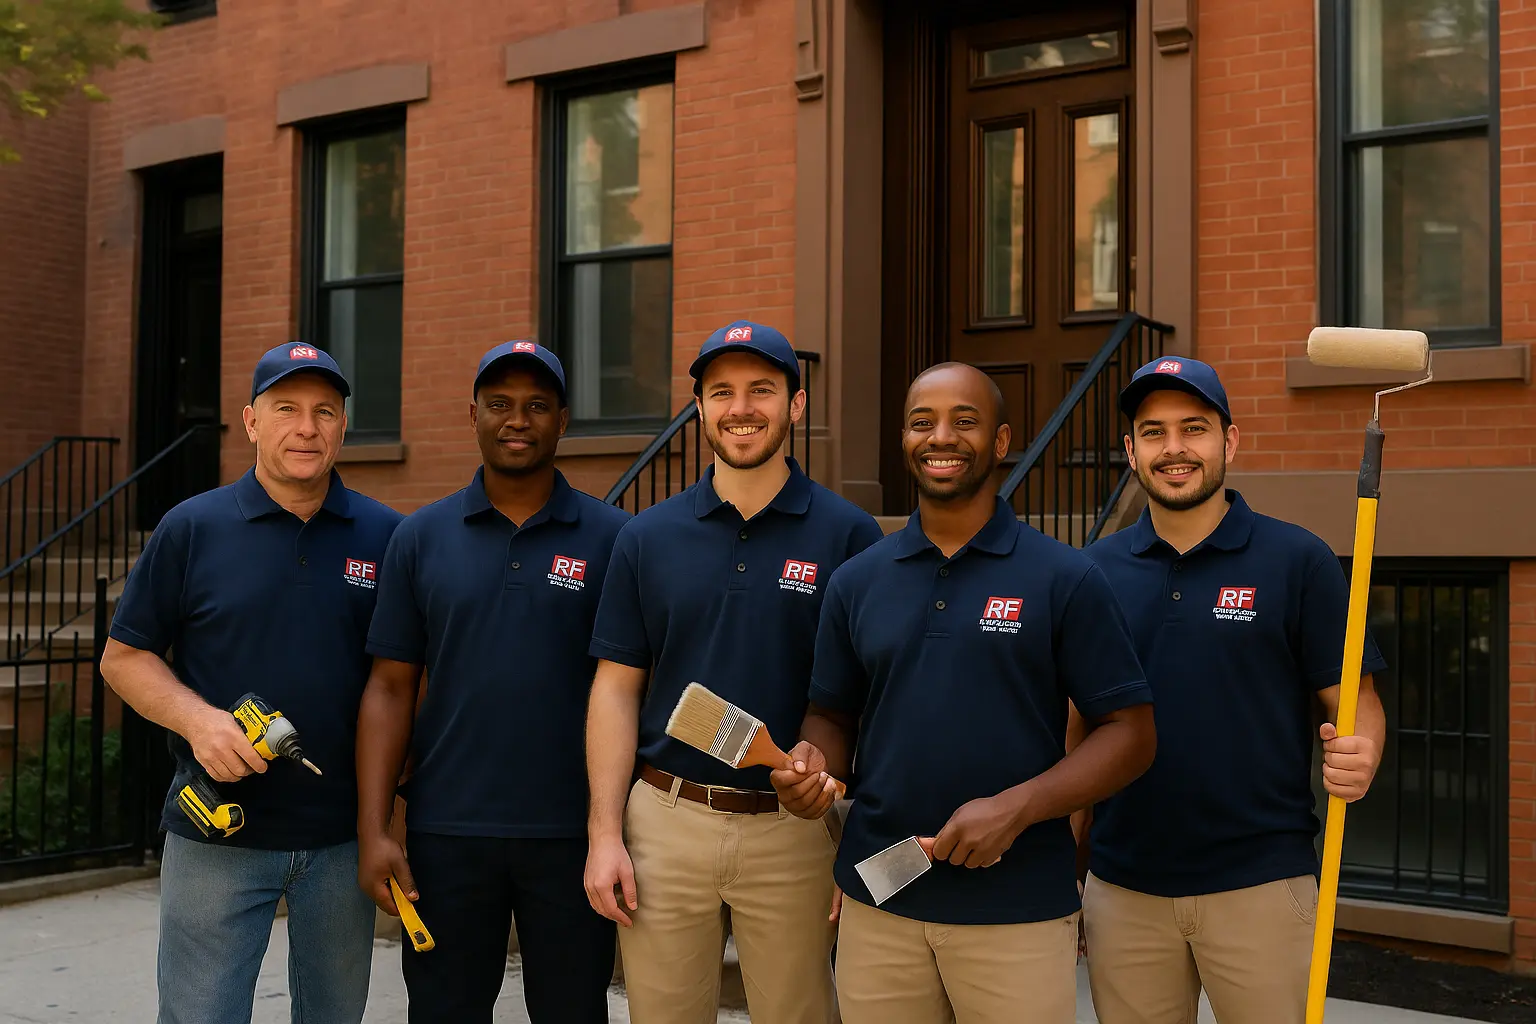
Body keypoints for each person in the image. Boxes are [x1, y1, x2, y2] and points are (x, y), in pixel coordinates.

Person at [771, 361, 1158, 1024]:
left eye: (964, 421)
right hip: (882, 896)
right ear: (903, 439)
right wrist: (813, 764)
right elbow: (832, 712)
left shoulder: (1063, 577)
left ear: (1003, 442)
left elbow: (1131, 734)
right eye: (923, 422)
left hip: (1018, 908)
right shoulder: (858, 581)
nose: (941, 436)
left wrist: (1018, 807)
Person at [583, 320, 884, 1024]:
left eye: (761, 390)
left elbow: (873, 699)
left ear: (796, 405)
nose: (740, 407)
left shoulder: (848, 535)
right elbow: (616, 690)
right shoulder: (646, 537)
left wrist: (856, 825)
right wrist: (605, 834)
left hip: (794, 830)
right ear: (699, 408)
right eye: (721, 392)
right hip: (665, 819)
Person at [1074, 356, 1388, 1024]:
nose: (1175, 448)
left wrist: (1362, 755)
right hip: (1125, 890)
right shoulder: (1088, 574)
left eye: (1195, 428)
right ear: (1130, 451)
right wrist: (1065, 869)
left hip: (1263, 888)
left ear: (1230, 440)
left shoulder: (1296, 560)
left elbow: (1353, 702)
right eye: (1153, 432)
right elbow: (1074, 730)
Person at [99, 342, 404, 1024]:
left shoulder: (388, 537)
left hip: (342, 838)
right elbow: (123, 658)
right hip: (218, 836)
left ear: (343, 427)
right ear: (251, 422)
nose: (307, 427)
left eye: (325, 412)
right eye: (287, 409)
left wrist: (394, 818)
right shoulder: (192, 529)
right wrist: (198, 720)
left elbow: (407, 684)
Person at [355, 340, 629, 1023]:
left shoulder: (616, 538)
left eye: (537, 406)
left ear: (563, 421)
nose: (518, 419)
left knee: (573, 1010)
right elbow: (390, 688)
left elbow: (629, 690)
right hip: (448, 832)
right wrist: (375, 827)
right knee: (445, 1011)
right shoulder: (420, 538)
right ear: (472, 413)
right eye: (501, 404)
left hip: (572, 834)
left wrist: (615, 828)